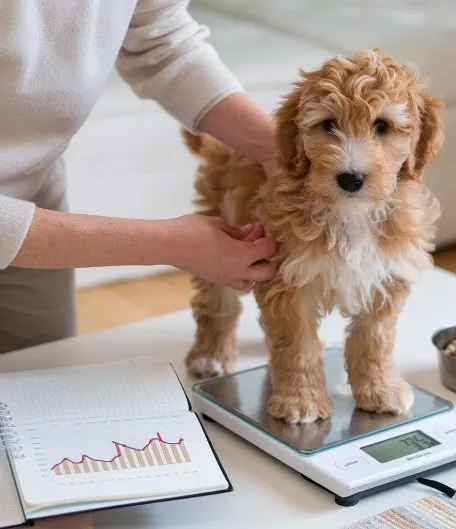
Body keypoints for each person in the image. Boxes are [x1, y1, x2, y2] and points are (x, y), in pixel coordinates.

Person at [0, 0, 278, 357]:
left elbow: (161, 41)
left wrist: (275, 147)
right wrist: (169, 244)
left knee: (47, 370)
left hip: (34, 189)